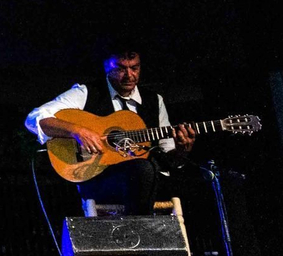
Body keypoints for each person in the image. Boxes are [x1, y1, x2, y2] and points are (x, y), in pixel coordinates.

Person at [25, 49, 197, 215]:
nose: (129, 75)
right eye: (121, 69)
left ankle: (138, 234)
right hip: (99, 180)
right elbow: (35, 118)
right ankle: (137, 234)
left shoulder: (154, 101)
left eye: (134, 68)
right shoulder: (87, 92)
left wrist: (182, 150)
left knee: (149, 170)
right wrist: (78, 131)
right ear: (107, 68)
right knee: (143, 169)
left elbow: (168, 159)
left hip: (147, 182)